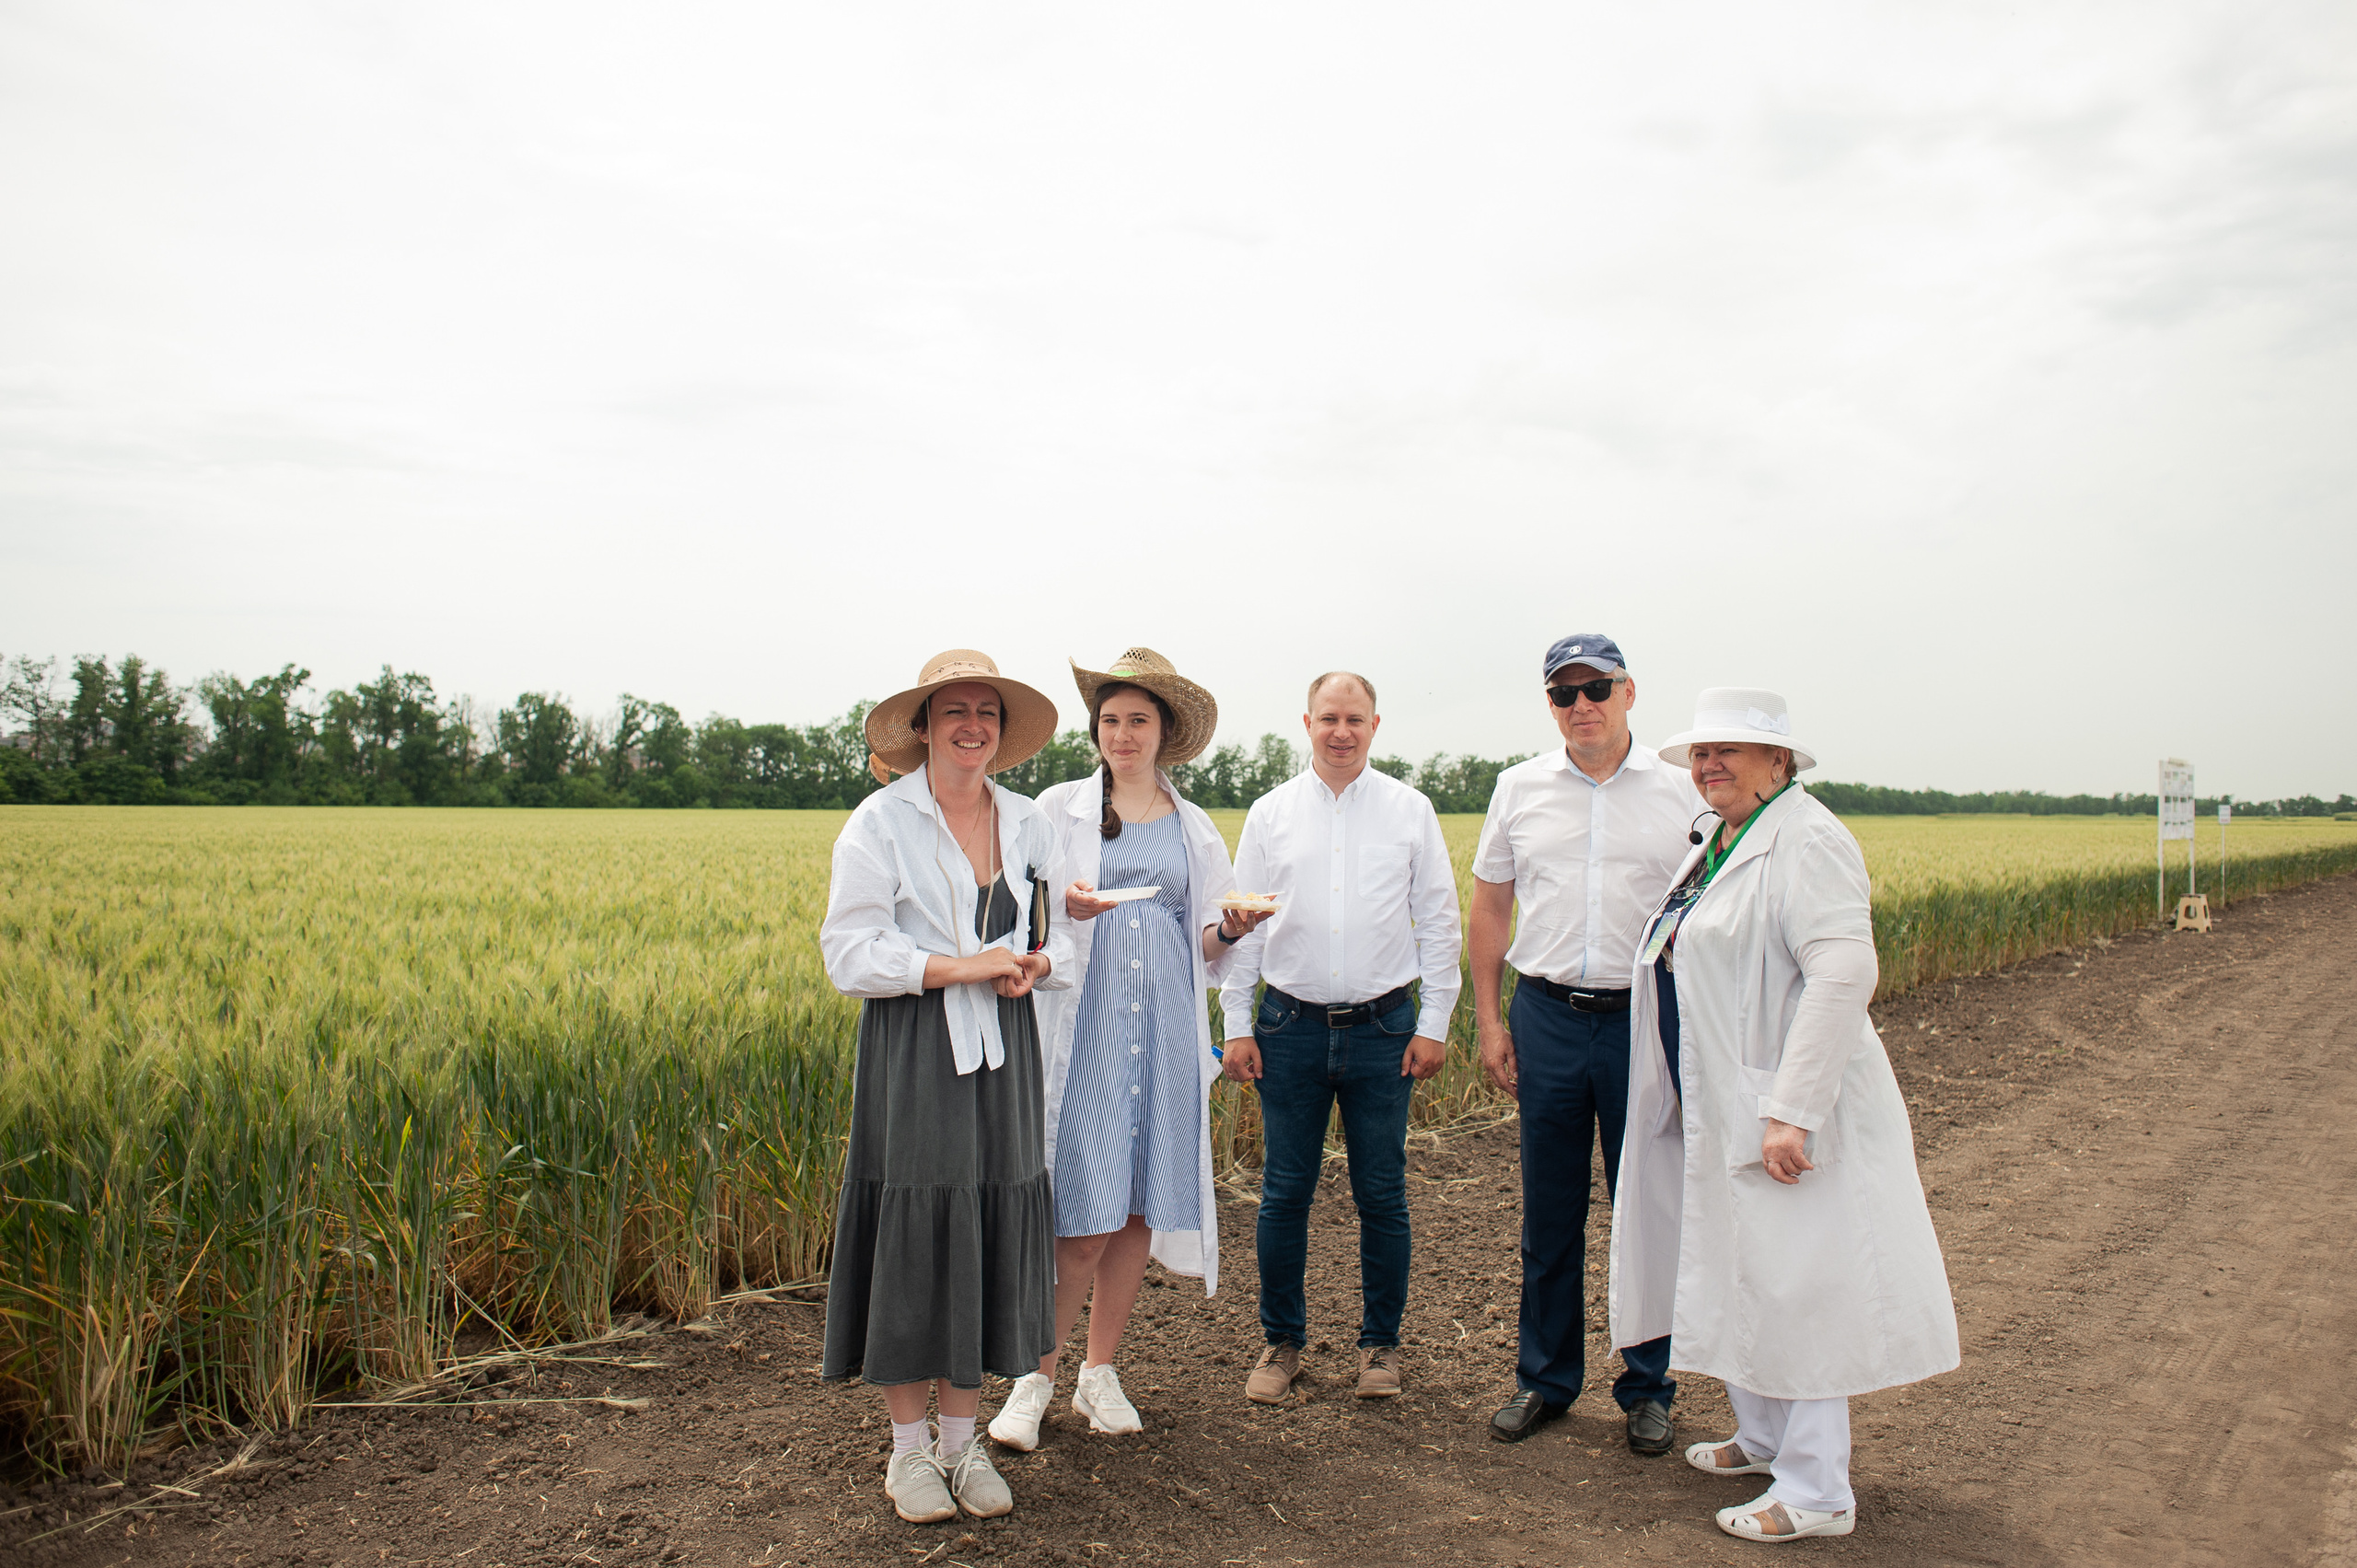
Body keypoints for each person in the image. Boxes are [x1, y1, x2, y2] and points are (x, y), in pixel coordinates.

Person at [1608, 689, 1959, 1543]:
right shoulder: (1721, 839)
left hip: (1781, 1109)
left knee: (1797, 1284)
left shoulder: (1810, 839)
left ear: (1781, 762)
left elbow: (1843, 972)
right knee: (1738, 1265)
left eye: (1731, 750)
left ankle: (1816, 1490)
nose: (1708, 765)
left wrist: (1792, 1110)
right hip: (1721, 1097)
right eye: (1699, 752)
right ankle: (1762, 1435)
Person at [987, 648, 1271, 1450]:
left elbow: (1208, 941)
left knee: (1141, 1206)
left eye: (1138, 720)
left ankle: (1099, 1372)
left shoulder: (1192, 825)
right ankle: (1033, 1378)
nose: (1122, 734)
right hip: (1090, 1036)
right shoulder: (1056, 810)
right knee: (1080, 1216)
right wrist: (1069, 913)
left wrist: (1235, 927)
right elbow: (1024, 924)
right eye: (1110, 720)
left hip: (1168, 1038)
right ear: (1097, 730)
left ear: (1165, 733)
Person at [818, 650, 1074, 1526]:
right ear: (923, 726)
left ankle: (963, 1446)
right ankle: (906, 1454)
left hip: (1006, 1046)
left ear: (1003, 734)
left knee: (986, 1225)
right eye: (955, 711)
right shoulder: (881, 821)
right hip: (917, 1047)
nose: (973, 726)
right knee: (919, 1227)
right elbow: (848, 951)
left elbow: (1057, 935)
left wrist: (1033, 964)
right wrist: (958, 966)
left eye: (988, 713)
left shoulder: (1030, 820)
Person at [1468, 634, 1703, 1454]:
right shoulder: (1518, 788)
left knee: (1648, 1204)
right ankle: (1546, 1380)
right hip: (1548, 1017)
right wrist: (1492, 1021)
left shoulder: (1684, 794)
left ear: (1628, 691)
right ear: (1550, 705)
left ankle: (1648, 1386)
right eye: (1564, 694)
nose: (1581, 706)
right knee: (1551, 1209)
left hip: (1646, 1018)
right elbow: (1492, 907)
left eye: (1595, 688)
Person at [1217, 670, 1461, 1403]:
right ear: (1307, 722)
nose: (1341, 731)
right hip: (1289, 1024)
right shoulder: (1270, 813)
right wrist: (1237, 1024)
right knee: (1284, 1191)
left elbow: (1440, 920)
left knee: (1382, 1192)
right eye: (1329, 717)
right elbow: (1245, 921)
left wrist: (1435, 1022)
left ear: (1375, 724)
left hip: (1386, 1027)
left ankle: (1379, 1347)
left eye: (1355, 718)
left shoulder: (1410, 811)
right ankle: (1281, 1342)